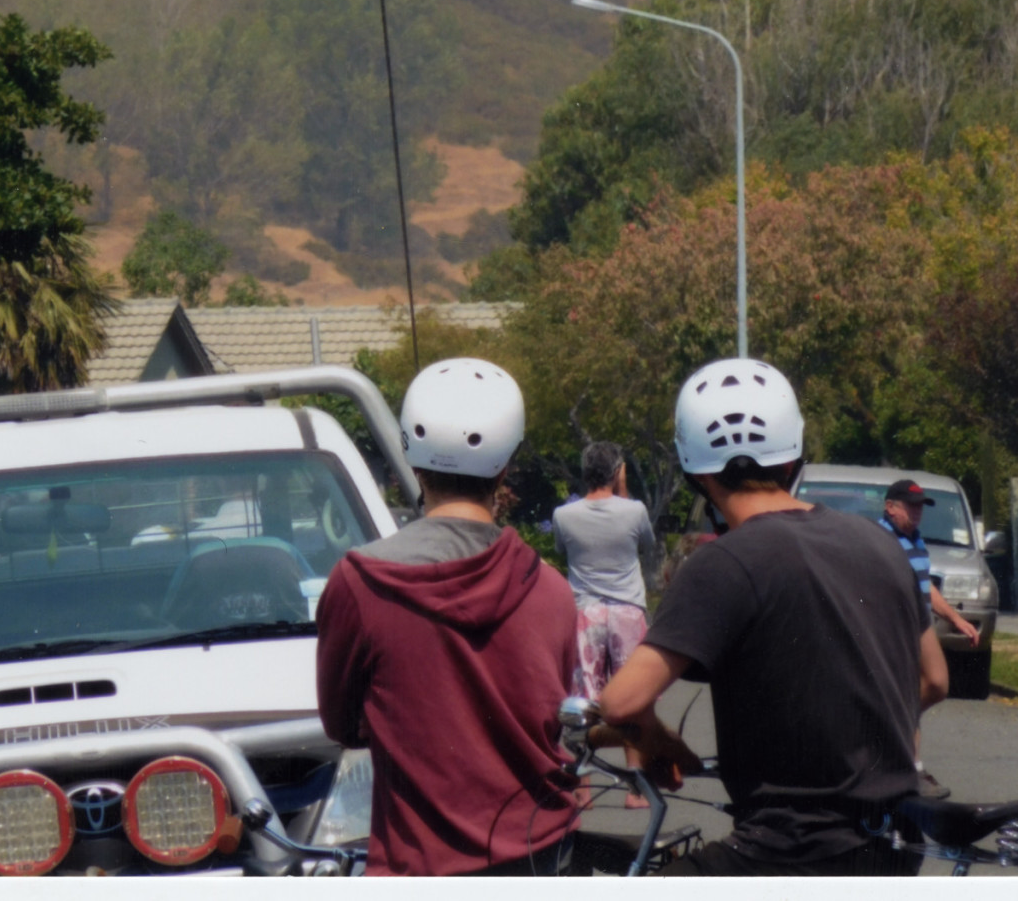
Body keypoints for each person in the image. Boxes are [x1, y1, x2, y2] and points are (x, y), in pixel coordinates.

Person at [594, 357, 949, 876]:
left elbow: (622, 703)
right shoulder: (880, 544)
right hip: (894, 844)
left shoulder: (724, 561)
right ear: (794, 455)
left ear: (694, 471)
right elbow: (935, 680)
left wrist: (662, 744)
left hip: (790, 849)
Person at [315, 358, 582, 876]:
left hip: (419, 866)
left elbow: (343, 725)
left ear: (411, 460)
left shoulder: (359, 584)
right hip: (542, 854)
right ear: (507, 467)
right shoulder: (550, 589)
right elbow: (553, 718)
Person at [552, 440, 655, 807]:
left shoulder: (564, 515)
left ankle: (583, 788)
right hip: (627, 610)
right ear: (616, 472)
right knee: (632, 699)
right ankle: (635, 788)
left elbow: (563, 552)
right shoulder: (636, 511)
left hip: (586, 611)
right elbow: (645, 545)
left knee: (583, 699)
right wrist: (623, 489)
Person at [880, 478, 980, 802]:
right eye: (911, 505)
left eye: (920, 506)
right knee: (911, 696)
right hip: (894, 628)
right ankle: (913, 771)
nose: (917, 512)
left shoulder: (916, 541)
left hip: (920, 627)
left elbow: (927, 588)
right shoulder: (882, 540)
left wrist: (956, 618)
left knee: (934, 685)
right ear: (890, 507)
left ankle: (896, 749)